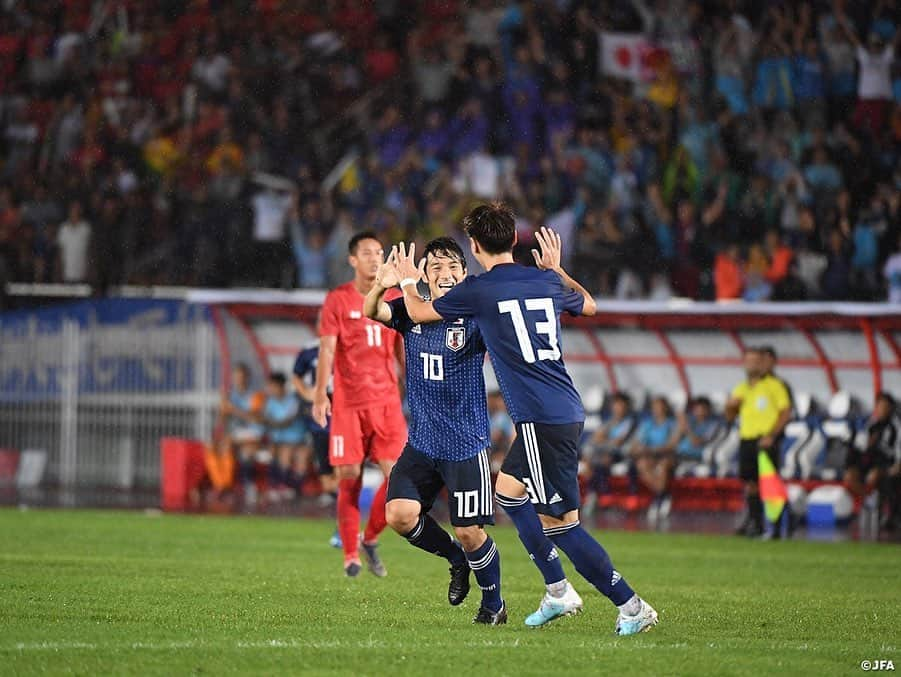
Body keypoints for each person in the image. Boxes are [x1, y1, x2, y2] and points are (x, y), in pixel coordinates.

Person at [393, 202, 657, 635]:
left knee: (562, 526)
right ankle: (556, 591)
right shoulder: (544, 279)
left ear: (474, 246)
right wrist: (558, 269)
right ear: (516, 240)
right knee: (509, 493)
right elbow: (589, 305)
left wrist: (407, 277)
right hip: (562, 407)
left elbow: (420, 313)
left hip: (539, 417)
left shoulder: (481, 288)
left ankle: (630, 605)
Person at [365, 236, 505, 625]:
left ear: (464, 274)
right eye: (435, 267)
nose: (444, 274)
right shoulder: (410, 312)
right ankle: (455, 561)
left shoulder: (477, 317)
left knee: (470, 532)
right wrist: (382, 283)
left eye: (451, 267)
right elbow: (371, 311)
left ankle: (494, 603)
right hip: (423, 442)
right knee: (400, 515)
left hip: (465, 443)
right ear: (424, 275)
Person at [312, 232, 407, 578]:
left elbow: (402, 350)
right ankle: (350, 554)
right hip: (350, 404)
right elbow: (326, 348)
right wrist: (321, 392)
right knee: (348, 476)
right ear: (352, 260)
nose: (374, 258)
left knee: (398, 478)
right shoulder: (338, 299)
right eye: (367, 253)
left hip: (386, 403)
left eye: (379, 252)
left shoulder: (395, 297)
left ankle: (370, 538)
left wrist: (416, 389)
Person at [726, 347, 792, 538]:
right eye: (748, 361)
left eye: (756, 361)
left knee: (770, 484)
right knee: (750, 484)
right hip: (746, 438)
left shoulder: (775, 385)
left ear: (763, 363)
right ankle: (756, 524)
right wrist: (729, 407)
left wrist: (772, 435)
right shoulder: (741, 388)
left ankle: (777, 529)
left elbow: (785, 412)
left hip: (765, 440)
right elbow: (730, 416)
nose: (752, 365)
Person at [293, 342, 341, 548]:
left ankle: (343, 527)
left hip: (343, 424)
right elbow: (296, 375)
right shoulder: (309, 351)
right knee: (327, 482)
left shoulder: (347, 346)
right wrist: (307, 394)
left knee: (343, 474)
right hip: (320, 425)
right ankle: (346, 511)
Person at [581, 392, 639, 515]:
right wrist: (605, 441)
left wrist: (603, 440)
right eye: (615, 405)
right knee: (591, 459)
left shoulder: (630, 422)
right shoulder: (609, 422)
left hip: (622, 454)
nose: (617, 408)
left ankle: (599, 494)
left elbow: (619, 442)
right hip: (604, 453)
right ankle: (598, 494)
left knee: (602, 460)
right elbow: (594, 439)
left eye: (620, 405)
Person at [845, 392, 898, 525]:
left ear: (890, 409)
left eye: (885, 407)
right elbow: (860, 446)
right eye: (879, 406)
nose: (882, 410)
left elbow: (897, 451)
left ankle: (879, 508)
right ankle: (869, 499)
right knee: (850, 476)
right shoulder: (870, 425)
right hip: (868, 462)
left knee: (874, 476)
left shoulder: (895, 427)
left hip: (887, 463)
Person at [219, 363, 265, 506]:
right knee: (223, 447)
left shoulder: (255, 395)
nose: (238, 380)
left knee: (244, 452)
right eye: (236, 377)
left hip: (253, 433)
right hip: (236, 434)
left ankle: (244, 487)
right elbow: (222, 422)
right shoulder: (230, 395)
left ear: (248, 378)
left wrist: (234, 409)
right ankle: (226, 486)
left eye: (241, 377)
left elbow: (256, 418)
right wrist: (223, 406)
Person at [261, 372, 309, 501]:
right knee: (278, 453)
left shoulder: (294, 401)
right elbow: (264, 420)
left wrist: (272, 423)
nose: (270, 389)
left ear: (281, 386)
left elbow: (286, 422)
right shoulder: (270, 402)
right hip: (278, 442)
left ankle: (293, 489)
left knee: (296, 456)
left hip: (298, 441)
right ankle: (280, 487)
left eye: (272, 386)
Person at [630, 396, 680, 520]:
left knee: (662, 467)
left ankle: (657, 499)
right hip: (649, 455)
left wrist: (653, 449)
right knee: (642, 465)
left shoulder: (671, 423)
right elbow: (638, 441)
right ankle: (663, 495)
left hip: (666, 455)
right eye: (655, 407)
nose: (657, 410)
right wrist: (640, 449)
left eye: (660, 406)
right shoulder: (648, 424)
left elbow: (672, 444)